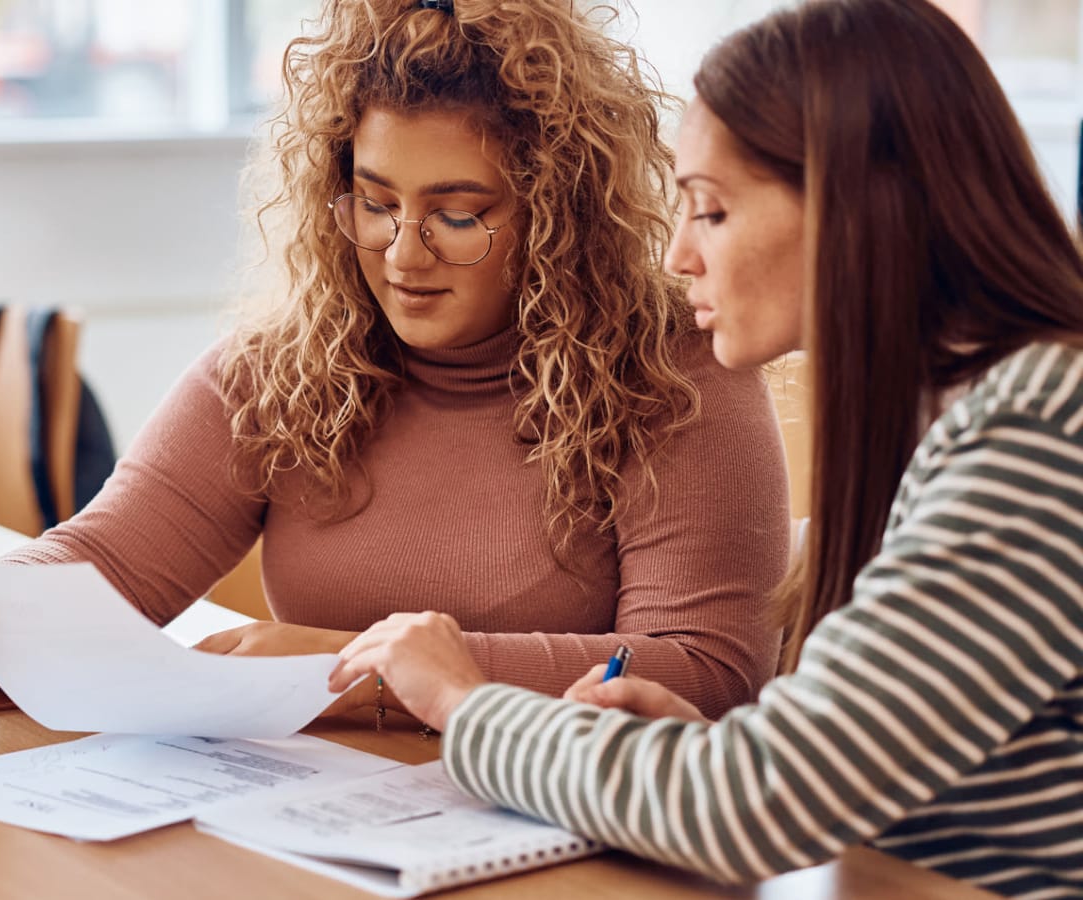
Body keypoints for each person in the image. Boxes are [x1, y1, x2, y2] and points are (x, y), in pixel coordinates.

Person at [0, 0, 791, 723]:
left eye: (458, 214)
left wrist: (344, 670)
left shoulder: (677, 374)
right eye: (375, 202)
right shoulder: (283, 366)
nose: (403, 253)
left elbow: (705, 670)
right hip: (312, 833)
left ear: (557, 214)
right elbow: (103, 569)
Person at [330, 1, 1083, 895]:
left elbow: (761, 805)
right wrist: (691, 754)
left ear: (855, 210)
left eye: (712, 211)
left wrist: (463, 703)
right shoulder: (948, 416)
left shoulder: (1035, 435)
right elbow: (841, 781)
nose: (680, 254)